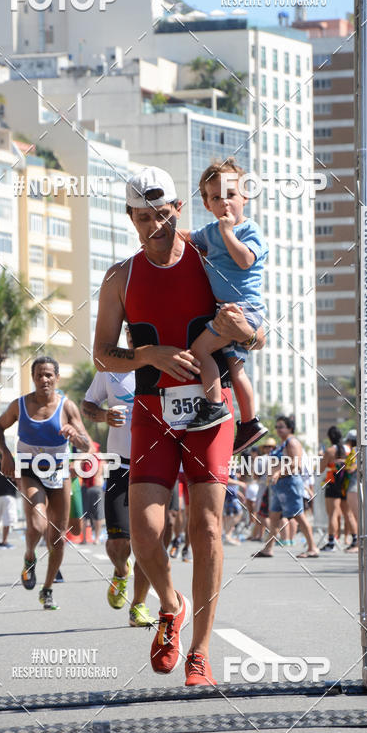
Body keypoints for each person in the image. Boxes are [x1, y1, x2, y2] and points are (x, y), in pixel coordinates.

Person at [93, 166, 262, 686]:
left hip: (211, 405)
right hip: (150, 407)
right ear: (130, 218)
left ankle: (201, 651)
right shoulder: (120, 277)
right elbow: (102, 355)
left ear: (178, 210)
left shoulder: (208, 255)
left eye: (161, 214)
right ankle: (170, 603)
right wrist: (150, 353)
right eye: (142, 217)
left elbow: (253, 326)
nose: (153, 226)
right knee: (144, 530)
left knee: (206, 527)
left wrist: (249, 334)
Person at [179, 159, 268, 453]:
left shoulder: (248, 230)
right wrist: (169, 223)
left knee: (200, 350)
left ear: (244, 197)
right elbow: (188, 238)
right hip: (226, 309)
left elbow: (244, 260)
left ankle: (214, 404)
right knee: (236, 366)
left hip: (244, 308)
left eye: (230, 195)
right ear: (206, 203)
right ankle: (250, 422)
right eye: (216, 198)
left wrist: (228, 232)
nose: (224, 203)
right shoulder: (210, 231)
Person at [0, 356, 92, 611]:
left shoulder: (67, 407)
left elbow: (86, 444)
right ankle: (29, 557)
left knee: (58, 538)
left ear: (56, 378)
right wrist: (5, 453)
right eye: (39, 375)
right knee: (37, 524)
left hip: (59, 474)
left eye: (48, 375)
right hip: (29, 471)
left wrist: (75, 436)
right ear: (33, 378)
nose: (43, 379)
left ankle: (47, 588)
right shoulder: (20, 405)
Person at [81, 348, 155, 627]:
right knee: (118, 542)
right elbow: (87, 404)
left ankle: (138, 606)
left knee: (149, 540)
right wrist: (103, 416)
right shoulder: (109, 369)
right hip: (118, 465)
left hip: (153, 464)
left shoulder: (162, 368)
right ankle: (121, 572)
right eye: (131, 331)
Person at [252, 415, 320, 559]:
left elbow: (296, 464)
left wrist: (278, 473)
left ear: (290, 428)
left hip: (289, 483)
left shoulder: (292, 442)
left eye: (281, 426)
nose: (278, 429)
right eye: (277, 427)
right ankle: (268, 548)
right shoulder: (282, 443)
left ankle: (313, 547)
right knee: (274, 516)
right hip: (278, 486)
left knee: (298, 515)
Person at [320, 426, 355, 552]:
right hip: (345, 483)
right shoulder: (349, 449)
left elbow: (320, 469)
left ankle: (331, 543)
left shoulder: (329, 451)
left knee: (333, 514)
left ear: (330, 437)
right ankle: (355, 540)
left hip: (332, 483)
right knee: (348, 514)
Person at [0, 454, 17, 548]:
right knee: (8, 519)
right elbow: (16, 480)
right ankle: (5, 541)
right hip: (8, 495)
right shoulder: (13, 466)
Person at [343, 429, 359, 553]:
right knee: (359, 516)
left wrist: (343, 464)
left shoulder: (354, 451)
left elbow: (351, 468)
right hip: (359, 484)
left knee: (357, 516)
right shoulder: (364, 450)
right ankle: (358, 543)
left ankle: (358, 544)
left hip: (354, 486)